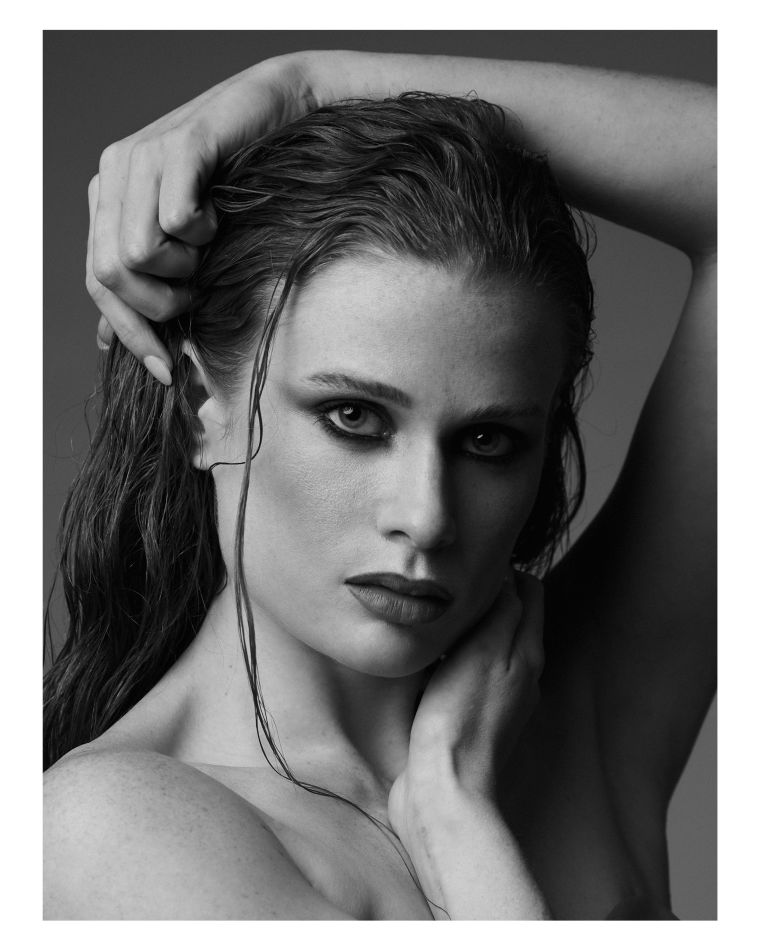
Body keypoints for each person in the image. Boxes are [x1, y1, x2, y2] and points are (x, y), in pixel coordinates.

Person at [43, 51, 716, 921]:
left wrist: (310, 82)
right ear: (203, 409)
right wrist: (459, 833)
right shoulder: (109, 832)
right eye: (354, 418)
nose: (426, 516)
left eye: (488, 441)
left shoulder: (584, 719)